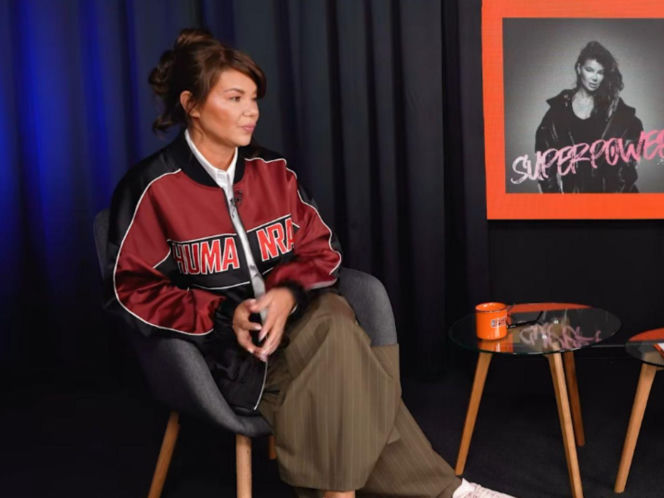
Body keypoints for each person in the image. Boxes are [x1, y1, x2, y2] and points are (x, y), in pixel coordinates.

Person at [105, 28, 515, 498]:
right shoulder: (152, 188)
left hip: (303, 331)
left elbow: (322, 248)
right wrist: (224, 316)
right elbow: (130, 289)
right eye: (235, 98)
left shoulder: (273, 172)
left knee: (333, 323)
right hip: (228, 357)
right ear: (191, 104)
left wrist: (285, 293)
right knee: (343, 344)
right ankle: (450, 492)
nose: (252, 111)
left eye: (254, 98)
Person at [536, 41, 643, 193]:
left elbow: (626, 174)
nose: (595, 78)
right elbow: (545, 168)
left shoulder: (617, 113)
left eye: (600, 72)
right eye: (589, 70)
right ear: (579, 68)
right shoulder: (558, 112)